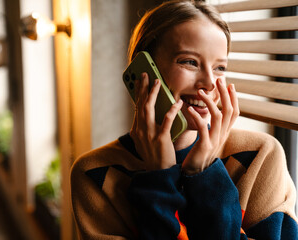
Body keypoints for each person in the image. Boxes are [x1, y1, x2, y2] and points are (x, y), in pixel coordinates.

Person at [70, 0, 298, 239]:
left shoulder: (260, 155)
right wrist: (159, 178)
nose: (210, 83)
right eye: (189, 62)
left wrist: (204, 174)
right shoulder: (95, 173)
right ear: (144, 70)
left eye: (220, 67)